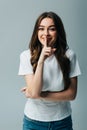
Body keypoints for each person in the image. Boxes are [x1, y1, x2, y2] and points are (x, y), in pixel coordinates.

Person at [18, 11, 81, 130]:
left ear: (58, 32)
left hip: (62, 121)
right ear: (37, 32)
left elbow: (71, 94)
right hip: (33, 121)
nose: (46, 33)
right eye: (41, 29)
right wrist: (41, 60)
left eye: (51, 29)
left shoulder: (69, 55)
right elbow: (34, 93)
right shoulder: (26, 56)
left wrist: (39, 94)